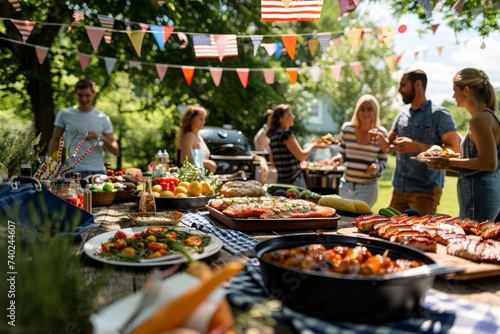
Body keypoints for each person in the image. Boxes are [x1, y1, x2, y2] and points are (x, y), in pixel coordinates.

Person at [425, 68, 500, 222]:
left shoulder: (479, 120)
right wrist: (443, 164)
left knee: (474, 243)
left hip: (478, 197)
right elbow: (476, 164)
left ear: (466, 90)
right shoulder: (488, 116)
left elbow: (489, 163)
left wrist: (448, 161)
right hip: (483, 194)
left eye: (455, 90)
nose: (453, 96)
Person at [386, 69, 461, 215]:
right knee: (385, 231)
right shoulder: (402, 115)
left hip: (425, 191)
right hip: (398, 188)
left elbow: (454, 148)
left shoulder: (440, 114)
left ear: (418, 84)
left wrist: (416, 146)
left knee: (418, 234)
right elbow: (386, 146)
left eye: (403, 85)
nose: (399, 89)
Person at [48, 78, 120, 179]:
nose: (84, 99)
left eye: (87, 95)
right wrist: (51, 168)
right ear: (75, 94)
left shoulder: (103, 118)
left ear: (94, 94)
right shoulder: (64, 115)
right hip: (72, 171)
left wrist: (99, 137)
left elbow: (116, 151)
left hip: (98, 172)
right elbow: (55, 141)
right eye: (80, 95)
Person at [330, 94, 390, 208]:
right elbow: (342, 152)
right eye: (362, 109)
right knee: (344, 220)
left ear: (375, 112)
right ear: (357, 111)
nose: (365, 113)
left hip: (367, 187)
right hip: (346, 185)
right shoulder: (347, 129)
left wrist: (375, 168)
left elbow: (384, 162)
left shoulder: (380, 133)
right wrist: (339, 158)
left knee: (360, 220)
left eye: (369, 109)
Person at [267, 104, 316, 187]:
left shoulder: (274, 136)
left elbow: (273, 161)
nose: (293, 117)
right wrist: (313, 146)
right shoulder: (286, 134)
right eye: (289, 115)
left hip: (280, 182)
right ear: (280, 119)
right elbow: (301, 156)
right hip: (295, 182)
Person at [175, 105, 217, 173]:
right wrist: (204, 163)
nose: (204, 122)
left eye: (204, 119)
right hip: (192, 180)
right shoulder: (189, 136)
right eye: (201, 119)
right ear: (191, 120)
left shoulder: (199, 136)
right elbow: (183, 161)